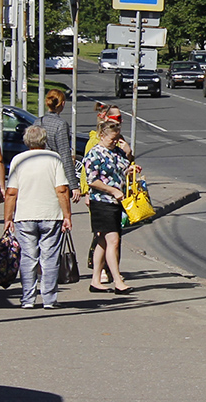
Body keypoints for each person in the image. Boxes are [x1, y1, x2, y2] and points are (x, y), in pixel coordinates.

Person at [3, 125, 72, 309]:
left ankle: (27, 299)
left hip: (25, 215)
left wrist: (8, 218)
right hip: (50, 214)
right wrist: (67, 215)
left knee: (28, 257)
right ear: (44, 140)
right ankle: (49, 299)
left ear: (27, 141)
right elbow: (62, 189)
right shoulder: (53, 158)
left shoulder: (18, 160)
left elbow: (11, 192)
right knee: (49, 257)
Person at [83, 121, 135, 294]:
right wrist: (112, 190)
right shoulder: (94, 154)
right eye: (113, 139)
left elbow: (122, 169)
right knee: (113, 241)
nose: (115, 142)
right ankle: (118, 281)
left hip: (116, 202)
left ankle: (95, 280)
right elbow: (92, 180)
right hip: (102, 201)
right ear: (102, 136)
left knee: (103, 241)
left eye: (117, 139)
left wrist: (131, 168)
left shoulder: (117, 152)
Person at [39, 89, 80, 204]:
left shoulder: (38, 121)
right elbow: (65, 155)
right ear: (62, 104)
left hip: (38, 168)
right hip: (54, 171)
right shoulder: (61, 124)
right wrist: (74, 185)